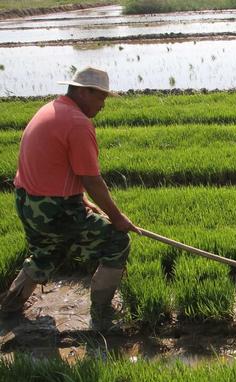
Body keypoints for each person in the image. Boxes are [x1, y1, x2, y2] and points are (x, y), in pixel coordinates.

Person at [0, 67, 139, 330]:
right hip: (55, 208)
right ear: (85, 92)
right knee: (116, 241)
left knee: (45, 252)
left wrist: (79, 199)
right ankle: (102, 314)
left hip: (27, 201)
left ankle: (10, 306)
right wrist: (117, 218)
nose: (102, 106)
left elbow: (56, 167)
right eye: (101, 98)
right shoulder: (77, 123)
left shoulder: (51, 109)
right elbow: (91, 178)